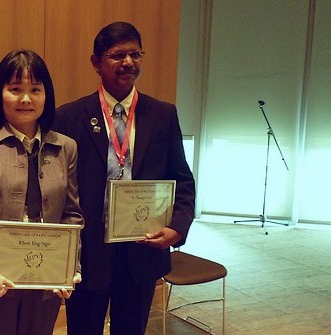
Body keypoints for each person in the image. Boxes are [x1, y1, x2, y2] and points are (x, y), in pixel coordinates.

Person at [53, 22, 196, 335]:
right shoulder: (68, 116)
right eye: (117, 55)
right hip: (88, 251)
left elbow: (182, 179)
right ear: (96, 62)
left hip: (141, 249)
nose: (128, 62)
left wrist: (178, 227)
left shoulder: (163, 114)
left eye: (135, 54)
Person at [0, 49, 83, 335]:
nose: (25, 98)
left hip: (44, 279)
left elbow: (71, 214)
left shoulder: (66, 147)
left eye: (35, 89)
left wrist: (69, 266)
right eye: (15, 89)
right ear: (0, 93)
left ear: (46, 95)